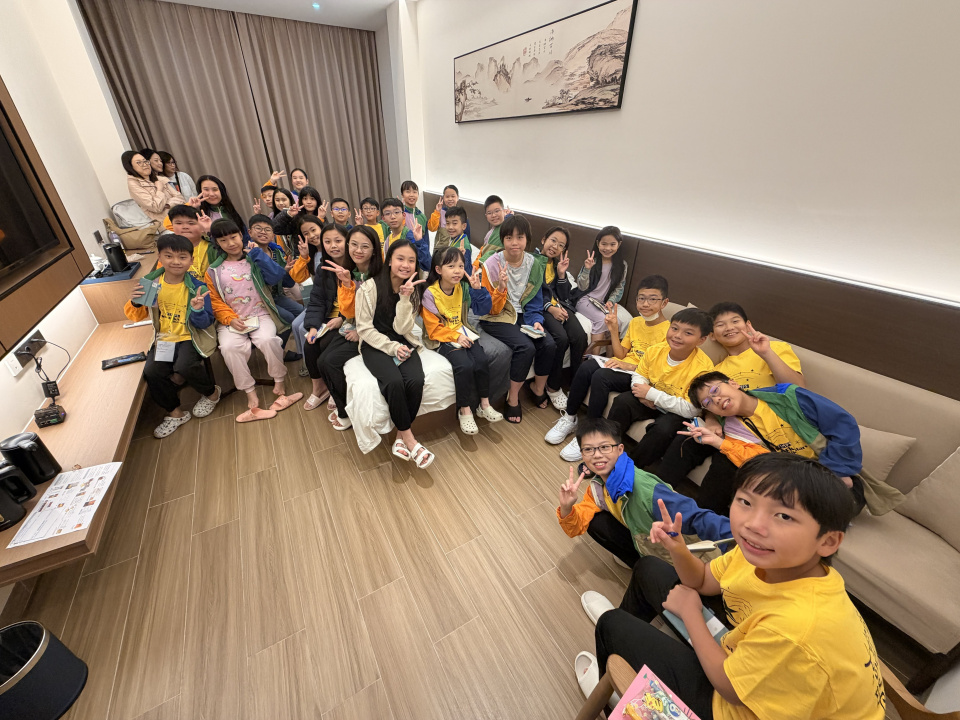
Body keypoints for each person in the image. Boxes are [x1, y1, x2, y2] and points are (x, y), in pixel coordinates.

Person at [584, 453, 886, 720]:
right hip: (750, 657)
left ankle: (614, 693)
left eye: (784, 515)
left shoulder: (797, 627)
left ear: (828, 541)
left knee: (611, 625)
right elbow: (703, 580)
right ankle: (627, 650)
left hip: (737, 704)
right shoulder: (763, 554)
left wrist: (690, 613)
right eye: (746, 502)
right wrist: (677, 549)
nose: (753, 524)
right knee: (649, 568)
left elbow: (729, 688)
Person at [676, 371, 898, 515]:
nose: (716, 399)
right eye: (708, 402)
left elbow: (843, 424)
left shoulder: (788, 397)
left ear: (733, 384)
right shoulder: (733, 428)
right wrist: (718, 442)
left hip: (831, 473)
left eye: (716, 390)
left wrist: (836, 471)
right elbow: (756, 460)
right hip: (792, 480)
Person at [655, 302, 805, 497]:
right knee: (687, 439)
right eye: (720, 324)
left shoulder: (774, 348)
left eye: (735, 321)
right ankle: (653, 495)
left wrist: (766, 353)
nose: (729, 328)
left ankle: (703, 514)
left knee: (726, 464)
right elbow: (708, 402)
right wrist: (711, 420)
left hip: (771, 428)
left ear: (748, 325)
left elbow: (797, 389)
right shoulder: (718, 370)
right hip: (731, 430)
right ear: (712, 336)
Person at [557, 418, 731, 567]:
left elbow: (698, 517)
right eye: (588, 449)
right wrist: (566, 507)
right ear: (582, 455)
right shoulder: (598, 487)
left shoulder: (646, 488)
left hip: (683, 559)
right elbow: (576, 526)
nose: (596, 455)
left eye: (604, 447)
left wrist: (740, 539)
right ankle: (640, 563)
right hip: (648, 544)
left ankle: (651, 571)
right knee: (596, 523)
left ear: (620, 449)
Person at [547, 275, 671, 455]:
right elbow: (621, 354)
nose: (645, 304)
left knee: (601, 376)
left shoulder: (670, 332)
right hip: (624, 366)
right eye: (641, 298)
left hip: (641, 375)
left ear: (664, 302)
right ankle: (570, 417)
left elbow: (660, 371)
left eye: (652, 299)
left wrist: (631, 367)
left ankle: (590, 434)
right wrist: (614, 330)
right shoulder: (636, 322)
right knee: (587, 366)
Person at [123, 233, 221, 438]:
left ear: (191, 261)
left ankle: (212, 393)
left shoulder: (198, 287)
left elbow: (205, 323)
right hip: (165, 338)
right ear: (160, 257)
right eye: (169, 256)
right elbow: (136, 316)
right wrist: (135, 303)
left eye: (182, 257)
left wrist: (197, 310)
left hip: (190, 336)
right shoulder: (151, 283)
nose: (176, 261)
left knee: (184, 366)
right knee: (152, 371)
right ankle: (175, 413)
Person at [204, 219, 301, 422]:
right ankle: (250, 391)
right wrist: (230, 319)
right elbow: (214, 301)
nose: (231, 243)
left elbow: (276, 276)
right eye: (223, 240)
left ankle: (279, 380)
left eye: (233, 237)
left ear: (241, 235)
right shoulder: (213, 270)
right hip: (231, 320)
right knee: (229, 348)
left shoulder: (254, 258)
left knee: (268, 340)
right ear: (217, 243)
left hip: (260, 314)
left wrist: (257, 254)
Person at [597, 309, 714, 467]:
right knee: (623, 401)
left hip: (676, 411)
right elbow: (639, 375)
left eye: (688, 333)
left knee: (663, 430)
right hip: (650, 398)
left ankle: (631, 467)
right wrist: (642, 394)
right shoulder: (656, 350)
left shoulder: (704, 369)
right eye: (674, 328)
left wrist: (652, 394)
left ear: (701, 340)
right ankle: (605, 453)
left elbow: (692, 409)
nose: (677, 336)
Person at [355, 240, 435, 468]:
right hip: (374, 344)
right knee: (393, 382)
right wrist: (391, 347)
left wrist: (405, 298)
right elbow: (364, 329)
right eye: (400, 258)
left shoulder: (413, 290)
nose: (406, 265)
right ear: (390, 260)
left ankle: (400, 435)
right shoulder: (369, 288)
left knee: (416, 380)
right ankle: (410, 440)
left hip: (402, 339)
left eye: (411, 261)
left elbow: (402, 329)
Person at [477, 214, 555, 422]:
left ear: (527, 239)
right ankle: (512, 398)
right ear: (502, 239)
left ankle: (538, 388)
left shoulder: (533, 264)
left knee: (548, 344)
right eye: (509, 238)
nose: (514, 243)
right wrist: (501, 288)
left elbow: (535, 300)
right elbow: (486, 306)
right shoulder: (491, 264)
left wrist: (536, 320)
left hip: (523, 314)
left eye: (520, 237)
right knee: (525, 347)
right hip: (497, 315)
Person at [421, 246, 504, 434]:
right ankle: (464, 410)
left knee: (481, 360)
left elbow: (483, 310)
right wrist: (455, 336)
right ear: (438, 269)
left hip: (463, 331)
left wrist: (477, 290)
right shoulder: (430, 294)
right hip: (441, 337)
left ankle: (484, 404)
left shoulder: (463, 287)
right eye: (451, 266)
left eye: (460, 266)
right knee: (464, 365)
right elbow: (433, 329)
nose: (457, 271)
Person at [316, 225, 383, 428]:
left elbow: (384, 313)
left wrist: (361, 333)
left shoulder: (381, 275)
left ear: (374, 250)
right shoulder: (348, 272)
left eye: (365, 246)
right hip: (354, 324)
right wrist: (346, 284)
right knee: (321, 359)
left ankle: (347, 412)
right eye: (353, 245)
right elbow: (348, 312)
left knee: (330, 362)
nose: (358, 250)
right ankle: (344, 406)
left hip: (374, 330)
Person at [300, 222, 350, 411]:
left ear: (347, 241)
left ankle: (333, 386)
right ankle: (319, 388)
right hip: (328, 319)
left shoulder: (355, 265)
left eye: (338, 241)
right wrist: (313, 326)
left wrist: (343, 319)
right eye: (327, 242)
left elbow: (361, 300)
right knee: (310, 344)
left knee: (326, 346)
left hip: (347, 319)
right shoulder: (323, 268)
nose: (333, 246)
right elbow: (317, 300)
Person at [536, 226, 587, 404]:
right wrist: (550, 307)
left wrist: (561, 274)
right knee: (561, 338)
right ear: (544, 239)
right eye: (553, 240)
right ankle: (553, 386)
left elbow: (565, 296)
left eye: (561, 245)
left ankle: (576, 384)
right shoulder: (533, 260)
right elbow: (532, 291)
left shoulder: (557, 264)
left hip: (560, 305)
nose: (555, 246)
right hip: (542, 307)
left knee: (580, 337)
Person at [249, 213, 302, 361]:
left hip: (277, 295)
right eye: (258, 228)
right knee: (287, 318)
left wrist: (287, 270)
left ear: (273, 235)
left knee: (301, 312)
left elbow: (284, 281)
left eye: (267, 230)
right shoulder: (248, 255)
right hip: (260, 299)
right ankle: (278, 354)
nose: (263, 232)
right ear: (249, 232)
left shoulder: (276, 252)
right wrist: (281, 271)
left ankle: (281, 349)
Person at [574, 225, 629, 335]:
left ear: (619, 244)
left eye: (612, 244)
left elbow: (619, 288)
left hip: (602, 304)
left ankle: (609, 348)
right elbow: (582, 287)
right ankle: (594, 348)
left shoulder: (622, 266)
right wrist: (587, 269)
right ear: (598, 243)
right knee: (602, 321)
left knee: (616, 323)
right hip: (585, 299)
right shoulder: (592, 261)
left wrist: (611, 301)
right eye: (604, 244)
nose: (608, 248)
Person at [122, 150, 184, 224]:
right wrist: (159, 190)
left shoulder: (159, 179)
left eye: (145, 161)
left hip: (180, 216)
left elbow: (181, 198)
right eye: (139, 162)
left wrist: (168, 204)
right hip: (165, 224)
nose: (145, 164)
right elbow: (156, 208)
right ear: (130, 166)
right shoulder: (134, 185)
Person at [195, 175, 249, 242]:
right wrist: (190, 207)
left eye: (215, 189)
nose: (211, 194)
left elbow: (246, 237)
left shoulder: (231, 211)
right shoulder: (199, 217)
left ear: (221, 191)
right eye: (206, 189)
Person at [381, 197, 429, 267]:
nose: (393, 217)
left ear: (403, 215)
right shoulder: (387, 240)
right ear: (383, 218)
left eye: (396, 212)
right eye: (388, 213)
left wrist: (419, 241)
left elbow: (426, 264)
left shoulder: (410, 237)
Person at [435, 205, 473, 270]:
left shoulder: (464, 246)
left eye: (454, 223)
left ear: (464, 226)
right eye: (447, 223)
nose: (450, 227)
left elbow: (467, 270)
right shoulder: (455, 238)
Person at [478, 194, 512, 263]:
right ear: (486, 216)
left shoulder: (508, 229)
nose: (493, 215)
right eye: (489, 213)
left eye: (497, 211)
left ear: (504, 211)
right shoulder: (490, 233)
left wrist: (510, 217)